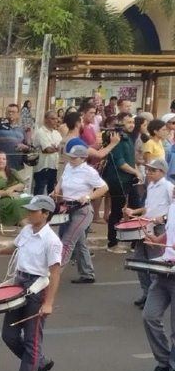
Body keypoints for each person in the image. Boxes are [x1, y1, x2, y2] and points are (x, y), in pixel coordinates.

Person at [0, 196, 61, 371]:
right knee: (8, 334)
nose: (28, 212)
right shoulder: (27, 230)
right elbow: (14, 247)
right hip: (19, 283)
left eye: (34, 210)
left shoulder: (52, 241)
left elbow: (54, 273)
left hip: (36, 288)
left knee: (31, 339)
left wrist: (48, 303)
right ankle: (39, 362)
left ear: (45, 214)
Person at [53, 145, 109, 284]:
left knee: (67, 240)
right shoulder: (68, 167)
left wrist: (88, 197)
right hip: (67, 207)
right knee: (80, 243)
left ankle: (53, 273)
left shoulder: (89, 171)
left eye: (74, 157)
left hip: (82, 210)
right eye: (70, 157)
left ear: (83, 158)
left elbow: (104, 188)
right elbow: (62, 180)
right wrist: (56, 190)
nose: (71, 159)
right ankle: (87, 272)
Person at [126, 159, 173, 308]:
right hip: (146, 225)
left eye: (153, 170)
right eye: (148, 170)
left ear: (162, 172)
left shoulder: (168, 186)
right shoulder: (151, 186)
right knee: (139, 260)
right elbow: (147, 208)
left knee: (154, 264)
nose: (149, 173)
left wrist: (163, 218)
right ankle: (146, 293)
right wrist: (134, 212)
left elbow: (172, 209)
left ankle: (155, 296)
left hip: (159, 228)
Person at [141, 198, 175, 371]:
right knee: (150, 316)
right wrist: (156, 240)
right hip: (165, 269)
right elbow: (170, 233)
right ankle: (164, 362)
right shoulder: (173, 206)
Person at [103, 112, 140, 253]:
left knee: (135, 207)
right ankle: (112, 243)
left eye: (132, 122)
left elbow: (131, 159)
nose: (131, 125)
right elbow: (120, 163)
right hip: (118, 179)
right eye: (128, 122)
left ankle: (136, 242)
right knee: (117, 211)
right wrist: (135, 171)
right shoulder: (117, 139)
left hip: (130, 179)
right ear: (120, 122)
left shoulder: (129, 138)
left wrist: (136, 172)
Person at [0, 103, 33, 186]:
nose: (11, 113)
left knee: (16, 192)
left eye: (14, 112)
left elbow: (28, 147)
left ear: (18, 114)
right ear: (5, 113)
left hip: (18, 168)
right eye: (9, 111)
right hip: (1, 168)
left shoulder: (21, 130)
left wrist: (25, 147)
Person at [0, 152, 30, 227]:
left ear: (6, 161)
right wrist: (7, 193)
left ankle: (34, 227)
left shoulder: (12, 171)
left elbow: (22, 184)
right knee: (17, 203)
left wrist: (12, 188)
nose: (1, 161)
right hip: (2, 199)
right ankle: (27, 228)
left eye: (4, 159)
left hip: (17, 195)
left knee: (33, 199)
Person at [33, 110, 62, 196]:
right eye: (52, 119)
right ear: (45, 119)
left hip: (55, 166)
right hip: (43, 167)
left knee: (52, 192)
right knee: (40, 192)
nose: (55, 121)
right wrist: (57, 148)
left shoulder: (57, 133)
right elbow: (47, 149)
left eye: (56, 119)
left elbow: (62, 148)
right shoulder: (40, 132)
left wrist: (56, 148)